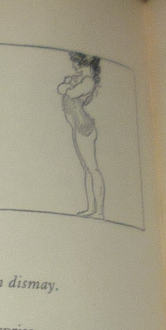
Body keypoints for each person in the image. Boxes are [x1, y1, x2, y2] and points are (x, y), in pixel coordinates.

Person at [59, 51, 105, 218]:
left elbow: (69, 92)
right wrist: (67, 85)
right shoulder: (80, 79)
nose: (74, 66)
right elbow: (61, 88)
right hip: (78, 127)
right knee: (87, 169)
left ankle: (98, 210)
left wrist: (68, 85)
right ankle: (91, 208)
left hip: (83, 128)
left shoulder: (87, 81)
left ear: (85, 64)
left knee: (92, 169)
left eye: (77, 63)